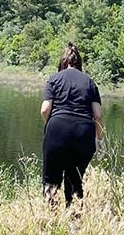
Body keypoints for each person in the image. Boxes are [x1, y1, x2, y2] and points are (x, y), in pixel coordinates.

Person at [41, 43, 103, 209]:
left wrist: (50, 127)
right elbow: (97, 115)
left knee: (51, 181)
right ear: (79, 63)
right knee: (75, 180)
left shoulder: (54, 79)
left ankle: (49, 219)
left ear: (63, 62)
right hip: (83, 133)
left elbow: (45, 109)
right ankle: (74, 223)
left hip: (57, 129)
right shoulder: (90, 83)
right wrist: (100, 140)